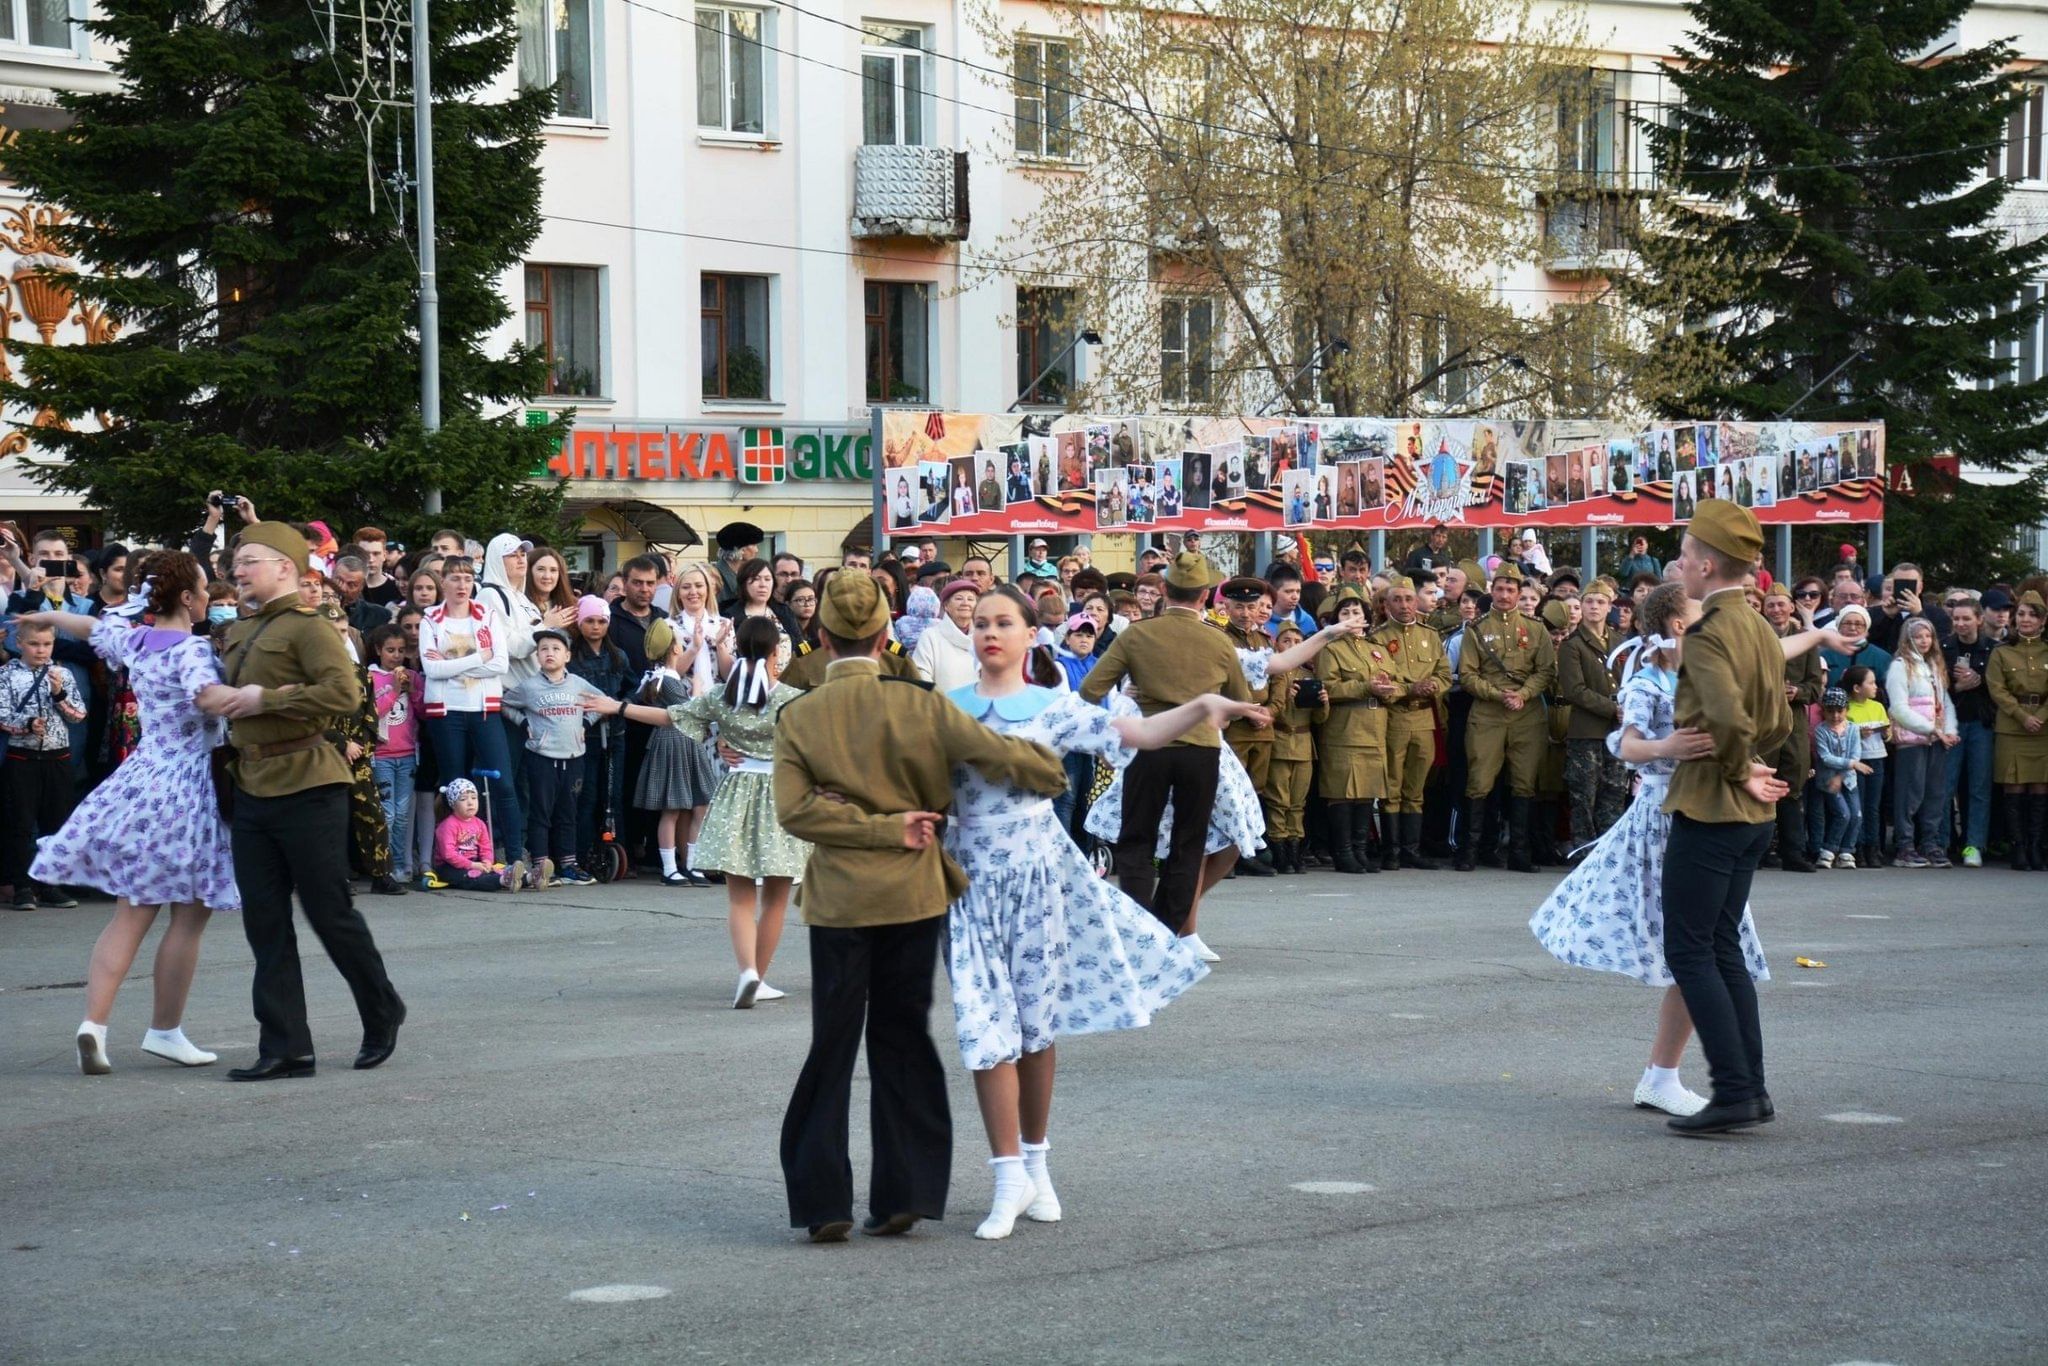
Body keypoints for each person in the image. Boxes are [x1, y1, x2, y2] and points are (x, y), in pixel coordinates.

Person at [933, 586, 1246, 1238]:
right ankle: (1006, 1175)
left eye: (1003, 622)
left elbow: (1136, 731)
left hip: (1042, 884)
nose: (990, 632)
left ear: (1028, 637)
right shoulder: (944, 709)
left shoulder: (1053, 707)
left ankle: (1037, 1165)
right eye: (981, 622)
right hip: (969, 888)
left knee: (1035, 1031)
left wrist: (1199, 707)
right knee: (985, 1031)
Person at [772, 572, 1069, 1243]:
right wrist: (1041, 772)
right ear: (885, 637)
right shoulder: (922, 704)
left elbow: (793, 811)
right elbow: (1015, 762)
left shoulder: (800, 714)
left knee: (832, 1046)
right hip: (913, 893)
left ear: (821, 637)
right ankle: (903, 1191)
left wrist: (866, 823)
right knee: (904, 1038)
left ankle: (824, 1203)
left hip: (841, 900)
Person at [1529, 583, 1769, 1117]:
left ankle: (1667, 1076)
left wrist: (1822, 633)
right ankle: (1682, 1079)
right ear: (1680, 626)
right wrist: (1667, 747)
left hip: (1708, 812)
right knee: (1693, 954)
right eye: (1701, 613)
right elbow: (1631, 745)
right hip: (1665, 820)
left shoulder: (1705, 670)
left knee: (1699, 954)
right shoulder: (1646, 680)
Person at [199, 522, 406, 1080]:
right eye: (237, 562)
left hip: (310, 784)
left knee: (328, 912)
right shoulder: (243, 628)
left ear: (287, 568)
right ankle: (287, 1046)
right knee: (264, 922)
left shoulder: (308, 628)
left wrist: (264, 697)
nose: (239, 571)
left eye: (251, 562)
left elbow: (344, 693)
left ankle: (381, 1008)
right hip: (252, 785)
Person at [20, 554, 236, 1072]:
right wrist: (262, 696)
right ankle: (165, 1031)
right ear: (188, 598)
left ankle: (93, 1023)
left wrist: (49, 618)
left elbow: (93, 625)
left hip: (140, 784)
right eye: (204, 589)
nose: (209, 597)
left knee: (130, 913)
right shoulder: (193, 650)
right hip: (189, 788)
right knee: (188, 917)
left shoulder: (135, 641)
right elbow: (208, 699)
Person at [1659, 500, 1790, 1135]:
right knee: (1721, 946)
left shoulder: (1709, 632)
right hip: (1750, 811)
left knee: (1689, 948)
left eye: (1685, 555)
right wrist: (1758, 766)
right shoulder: (1762, 628)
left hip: (1712, 803)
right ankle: (1750, 1089)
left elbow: (1727, 718)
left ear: (1707, 566)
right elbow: (1781, 720)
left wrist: (1740, 768)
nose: (1680, 565)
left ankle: (1735, 1090)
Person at [1080, 552, 1253, 935]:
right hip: (1202, 749)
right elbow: (1240, 701)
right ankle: (1167, 927)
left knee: (1136, 840)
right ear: (1204, 595)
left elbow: (1090, 690)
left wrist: (1132, 694)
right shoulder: (1218, 641)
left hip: (1150, 744)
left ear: (1165, 590)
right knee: (1189, 844)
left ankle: (1140, 926)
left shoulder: (1138, 633)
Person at [417, 555, 526, 871]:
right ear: (444, 582)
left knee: (503, 783)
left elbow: (500, 664)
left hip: (483, 711)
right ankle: (457, 859)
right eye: (454, 578)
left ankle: (516, 857)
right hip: (446, 713)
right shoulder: (430, 619)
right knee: (456, 786)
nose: (462, 585)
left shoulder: (486, 616)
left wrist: (453, 666)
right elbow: (432, 669)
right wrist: (478, 657)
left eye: (467, 579)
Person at [1454, 566, 1557, 873]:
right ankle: (1470, 849)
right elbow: (1468, 675)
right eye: (1499, 589)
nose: (1504, 595)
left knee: (1525, 782)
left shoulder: (1536, 629)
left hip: (1527, 714)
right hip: (1488, 712)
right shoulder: (1476, 629)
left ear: (1519, 594)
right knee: (1479, 781)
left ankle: (1519, 852)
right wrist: (1500, 695)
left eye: (1511, 590)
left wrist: (1523, 693)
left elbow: (1546, 671)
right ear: (1492, 590)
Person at [501, 626, 611, 886]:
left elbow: (604, 701)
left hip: (573, 757)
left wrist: (585, 724)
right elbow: (504, 703)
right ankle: (541, 866)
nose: (549, 653)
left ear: (567, 656)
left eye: (555, 649)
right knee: (541, 813)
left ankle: (568, 865)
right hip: (542, 757)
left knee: (568, 812)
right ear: (537, 656)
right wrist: (522, 723)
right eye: (543, 649)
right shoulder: (528, 687)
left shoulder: (578, 684)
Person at [2, 615, 88, 909]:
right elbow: (2, 715)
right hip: (22, 757)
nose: (41, 650)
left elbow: (78, 715)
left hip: (57, 756)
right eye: (34, 644)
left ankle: (51, 884)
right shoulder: (8, 675)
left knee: (56, 822)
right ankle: (22, 886)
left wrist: (59, 693)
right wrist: (26, 724)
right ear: (19, 644)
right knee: (21, 823)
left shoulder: (62, 674)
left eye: (47, 644)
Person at [633, 618, 726, 887]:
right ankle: (670, 867)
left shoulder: (659, 677)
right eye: (680, 643)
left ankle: (691, 865)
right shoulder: (668, 681)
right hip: (676, 743)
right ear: (674, 649)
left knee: (698, 805)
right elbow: (690, 713)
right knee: (673, 809)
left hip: (685, 744)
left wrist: (696, 648)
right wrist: (697, 688)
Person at [1372, 574, 1452, 870]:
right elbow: (1382, 679)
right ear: (1386, 604)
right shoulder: (1378, 638)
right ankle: (1391, 850)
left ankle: (1411, 849)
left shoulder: (1430, 636)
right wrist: (1409, 689)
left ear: (1416, 601)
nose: (1404, 605)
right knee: (1391, 785)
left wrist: (1433, 686)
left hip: (1424, 720)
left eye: (1408, 599)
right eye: (1397, 599)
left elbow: (1445, 674)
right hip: (1395, 717)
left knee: (1416, 789)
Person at [1556, 576, 1626, 855]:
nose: (1594, 606)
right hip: (1587, 732)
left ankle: (1609, 854)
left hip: (1617, 733)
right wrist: (1613, 708)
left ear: (1610, 607)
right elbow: (1575, 690)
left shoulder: (1620, 642)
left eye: (1601, 602)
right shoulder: (1573, 645)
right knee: (1584, 796)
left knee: (1614, 794)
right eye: (1589, 601)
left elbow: (1629, 680)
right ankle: (1585, 853)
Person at [1886, 616, 1958, 868]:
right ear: (1908, 639)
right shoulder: (1899, 666)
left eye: (1927, 636)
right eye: (1918, 636)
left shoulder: (1934, 665)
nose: (1924, 641)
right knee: (1910, 794)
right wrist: (1930, 729)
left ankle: (1930, 843)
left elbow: (1944, 701)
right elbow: (1898, 709)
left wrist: (1949, 729)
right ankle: (1904, 846)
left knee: (1934, 794)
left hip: (1935, 740)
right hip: (1912, 740)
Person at [1987, 589, 2048, 868]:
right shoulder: (2002, 652)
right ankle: (2018, 847)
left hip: (2044, 727)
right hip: (2012, 726)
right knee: (2014, 788)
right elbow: (1997, 689)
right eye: (2021, 614)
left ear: (2043, 621)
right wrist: (2022, 716)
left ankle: (2036, 846)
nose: (2025, 620)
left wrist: (2041, 716)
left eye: (2032, 615)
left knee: (2039, 788)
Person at [1940, 599, 1998, 866]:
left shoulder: (1992, 649)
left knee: (1979, 787)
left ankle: (1974, 844)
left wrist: (1980, 680)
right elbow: (1936, 689)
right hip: (1951, 724)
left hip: (1981, 724)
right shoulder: (1944, 647)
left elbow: (2000, 688)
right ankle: (1941, 842)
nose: (1960, 624)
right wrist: (1959, 687)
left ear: (1978, 620)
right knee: (1946, 785)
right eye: (1956, 619)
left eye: (1966, 619)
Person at [366, 624, 422, 887]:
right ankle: (383, 867)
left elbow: (423, 711)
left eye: (401, 650)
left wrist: (412, 690)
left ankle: (400, 865)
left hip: (408, 753)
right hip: (383, 754)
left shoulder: (411, 675)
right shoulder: (371, 678)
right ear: (378, 650)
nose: (396, 656)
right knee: (386, 813)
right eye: (390, 650)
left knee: (402, 813)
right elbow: (372, 713)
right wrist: (395, 692)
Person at [432, 778, 520, 890]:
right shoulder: (447, 825)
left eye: (474, 798)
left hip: (473, 863)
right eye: (463, 799)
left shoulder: (479, 823)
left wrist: (487, 861)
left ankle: (531, 877)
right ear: (453, 804)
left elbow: (486, 847)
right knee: (472, 877)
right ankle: (505, 880)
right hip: (448, 866)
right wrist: (471, 865)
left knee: (496, 869)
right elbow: (448, 854)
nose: (470, 803)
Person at [1813, 688, 1867, 868]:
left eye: (1839, 711)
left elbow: (1855, 754)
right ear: (1824, 711)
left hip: (1849, 780)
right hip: (1828, 780)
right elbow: (1825, 757)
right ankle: (1828, 850)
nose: (1835, 715)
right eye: (1830, 711)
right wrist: (1851, 765)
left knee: (1856, 815)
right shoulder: (1820, 730)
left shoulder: (1853, 729)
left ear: (1847, 710)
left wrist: (1843, 773)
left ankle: (1846, 851)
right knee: (1843, 814)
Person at [911, 580, 979, 692]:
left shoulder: (982, 638)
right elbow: (920, 673)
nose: (965, 603)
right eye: (959, 598)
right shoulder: (930, 636)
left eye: (971, 599)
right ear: (946, 605)